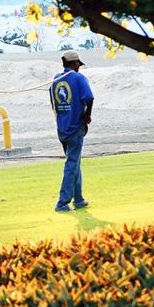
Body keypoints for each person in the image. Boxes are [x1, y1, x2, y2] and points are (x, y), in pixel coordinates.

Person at [49, 49, 94, 212]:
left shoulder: (56, 80)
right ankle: (62, 202)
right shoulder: (78, 78)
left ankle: (79, 199)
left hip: (62, 127)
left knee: (75, 162)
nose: (79, 67)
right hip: (75, 127)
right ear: (74, 63)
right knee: (72, 163)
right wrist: (87, 116)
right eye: (78, 65)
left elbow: (53, 103)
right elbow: (89, 97)